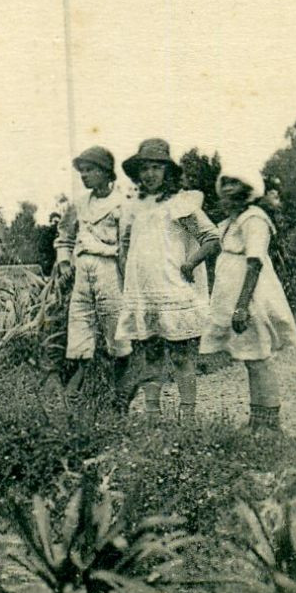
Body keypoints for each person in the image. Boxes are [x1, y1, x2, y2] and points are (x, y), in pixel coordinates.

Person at [114, 138, 220, 417]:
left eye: (156, 168)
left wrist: (190, 264)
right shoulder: (134, 207)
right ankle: (153, 413)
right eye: (145, 168)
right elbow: (125, 246)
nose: (150, 174)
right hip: (145, 292)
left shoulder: (179, 203)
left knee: (180, 354)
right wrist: (129, 277)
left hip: (172, 289)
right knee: (150, 354)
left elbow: (211, 238)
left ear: (168, 172)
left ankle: (187, 415)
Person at [199, 167, 296, 432]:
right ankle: (257, 420)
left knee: (258, 358)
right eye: (226, 183)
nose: (229, 189)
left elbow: (254, 263)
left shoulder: (254, 219)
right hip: (233, 297)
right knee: (249, 357)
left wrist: (242, 306)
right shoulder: (230, 222)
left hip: (250, 297)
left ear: (248, 190)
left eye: (236, 183)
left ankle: (270, 423)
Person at [53, 146, 132, 404]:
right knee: (79, 334)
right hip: (82, 274)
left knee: (118, 336)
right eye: (82, 171)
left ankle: (120, 400)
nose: (85, 176)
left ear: (106, 173)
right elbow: (64, 237)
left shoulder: (123, 205)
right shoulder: (79, 204)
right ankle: (73, 400)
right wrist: (65, 264)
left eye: (91, 170)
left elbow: (128, 246)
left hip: (110, 272)